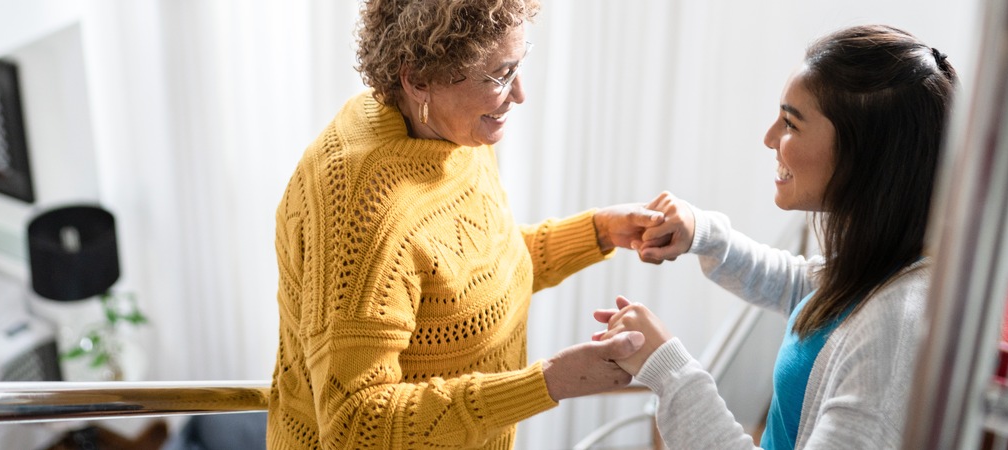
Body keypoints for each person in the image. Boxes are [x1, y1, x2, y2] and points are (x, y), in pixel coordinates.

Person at [266, 0, 661, 448]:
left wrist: (599, 231)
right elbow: (354, 423)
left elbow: (470, 275)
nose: (519, 94)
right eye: (499, 76)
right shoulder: (363, 207)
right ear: (417, 79)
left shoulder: (449, 132)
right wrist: (547, 383)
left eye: (518, 65)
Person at [593, 24, 958, 449]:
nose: (769, 138)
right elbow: (802, 285)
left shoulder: (892, 330)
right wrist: (703, 233)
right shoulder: (885, 265)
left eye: (790, 123)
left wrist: (669, 371)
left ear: (864, 154)